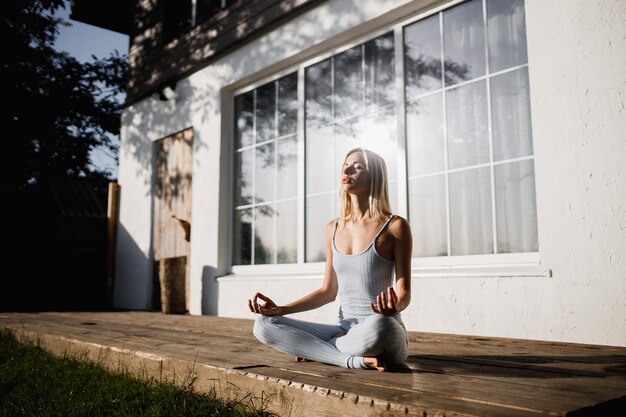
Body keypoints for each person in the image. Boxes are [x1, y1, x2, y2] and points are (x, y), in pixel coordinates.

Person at [248, 148, 412, 371]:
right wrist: (281, 310)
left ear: (375, 176)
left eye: (358, 166)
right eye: (345, 165)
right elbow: (328, 291)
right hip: (344, 330)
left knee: (382, 328)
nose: (347, 168)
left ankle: (317, 349)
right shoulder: (333, 228)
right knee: (264, 325)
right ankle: (349, 359)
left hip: (380, 329)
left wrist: (394, 307)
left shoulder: (395, 227)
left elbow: (404, 292)